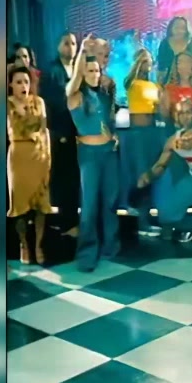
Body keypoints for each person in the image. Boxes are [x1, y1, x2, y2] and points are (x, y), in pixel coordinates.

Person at [138, 99, 192, 264]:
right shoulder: (173, 140)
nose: (185, 116)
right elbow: (161, 165)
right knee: (166, 212)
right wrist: (148, 176)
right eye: (180, 113)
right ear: (175, 116)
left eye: (188, 112)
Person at [66, 34, 121, 272]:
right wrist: (82, 51)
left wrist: (114, 136)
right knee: (89, 205)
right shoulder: (76, 96)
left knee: (110, 202)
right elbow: (75, 79)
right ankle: (87, 254)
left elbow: (109, 119)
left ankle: (110, 248)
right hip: (89, 154)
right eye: (90, 71)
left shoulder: (103, 94)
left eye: (97, 70)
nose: (95, 74)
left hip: (109, 152)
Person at [7, 67, 51, 265]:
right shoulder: (6, 104)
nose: (23, 85)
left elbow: (44, 130)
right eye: (18, 82)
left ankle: (39, 245)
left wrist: (47, 158)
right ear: (10, 84)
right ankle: (23, 244)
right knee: (19, 205)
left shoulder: (38, 102)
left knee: (41, 204)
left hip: (39, 155)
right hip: (18, 156)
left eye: (26, 81)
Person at [43, 31, 81, 238]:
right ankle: (67, 224)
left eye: (73, 43)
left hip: (80, 133)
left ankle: (74, 222)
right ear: (58, 46)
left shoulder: (79, 69)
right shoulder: (51, 71)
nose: (70, 47)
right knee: (65, 180)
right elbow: (49, 104)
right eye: (66, 43)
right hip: (61, 134)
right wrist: (57, 132)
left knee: (76, 181)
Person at [121, 49, 163, 226]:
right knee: (140, 173)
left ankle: (148, 218)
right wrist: (140, 60)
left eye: (150, 61)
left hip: (152, 132)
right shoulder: (132, 83)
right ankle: (142, 222)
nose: (148, 65)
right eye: (145, 61)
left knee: (151, 174)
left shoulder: (153, 85)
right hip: (137, 133)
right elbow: (128, 81)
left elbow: (159, 108)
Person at [157, 16, 192, 85]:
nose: (179, 31)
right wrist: (160, 83)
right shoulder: (164, 43)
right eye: (177, 27)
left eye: (183, 28)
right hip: (167, 84)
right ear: (171, 28)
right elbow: (160, 67)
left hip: (189, 84)